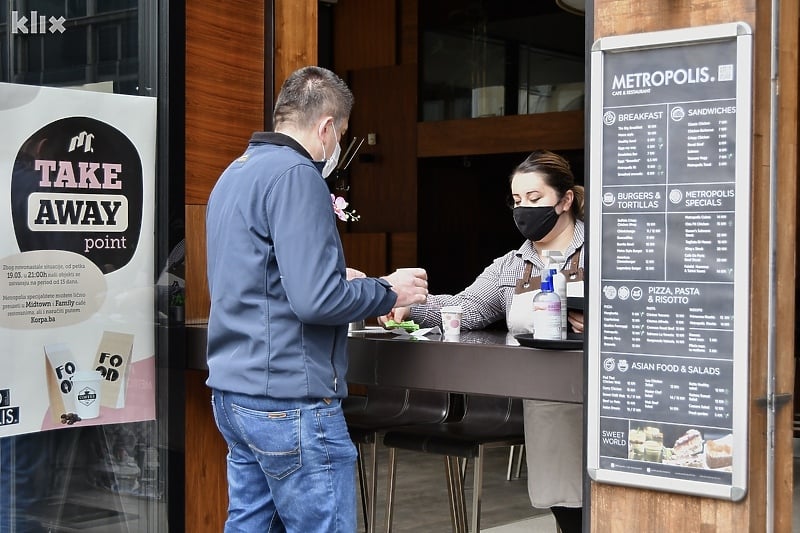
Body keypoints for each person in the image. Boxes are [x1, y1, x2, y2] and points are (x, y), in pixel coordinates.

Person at [205, 65, 429, 533]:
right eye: (343, 134)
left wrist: (332, 277)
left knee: (248, 524)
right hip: (288, 396)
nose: (338, 147)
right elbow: (317, 302)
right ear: (327, 126)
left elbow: (258, 276)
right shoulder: (297, 174)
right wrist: (388, 289)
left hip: (234, 392)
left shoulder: (234, 173)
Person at [380, 149, 585, 533]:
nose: (524, 209)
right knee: (570, 511)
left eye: (535, 198)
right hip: (552, 408)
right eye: (518, 200)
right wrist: (408, 304)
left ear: (566, 199)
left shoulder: (610, 250)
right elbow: (466, 308)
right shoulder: (511, 265)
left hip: (614, 402)